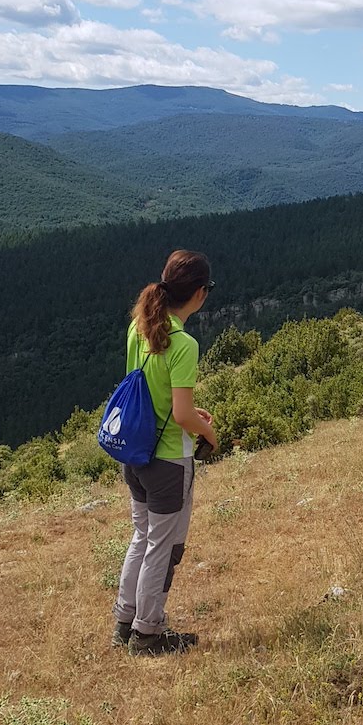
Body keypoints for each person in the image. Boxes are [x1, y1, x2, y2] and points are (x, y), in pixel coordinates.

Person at [111, 250, 219, 656]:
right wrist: (207, 430)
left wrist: (192, 414)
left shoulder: (140, 328)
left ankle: (125, 623)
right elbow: (181, 414)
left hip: (135, 455)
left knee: (142, 537)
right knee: (162, 545)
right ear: (198, 294)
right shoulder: (183, 343)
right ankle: (148, 634)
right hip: (169, 461)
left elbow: (151, 394)